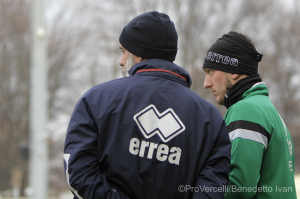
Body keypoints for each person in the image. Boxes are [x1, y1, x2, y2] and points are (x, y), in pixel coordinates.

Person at [63, 11, 231, 199]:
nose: (120, 61)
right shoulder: (210, 117)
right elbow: (213, 188)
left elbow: (78, 173)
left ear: (139, 55)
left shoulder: (97, 100)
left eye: (123, 51)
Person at [202, 31, 297, 199]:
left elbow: (239, 188)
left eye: (211, 71)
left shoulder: (246, 110)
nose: (206, 83)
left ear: (234, 72)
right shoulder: (267, 109)